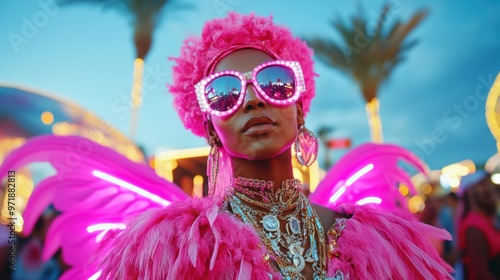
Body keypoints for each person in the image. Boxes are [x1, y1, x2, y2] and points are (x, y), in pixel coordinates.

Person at [96, 12, 453, 279]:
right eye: (225, 94)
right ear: (210, 129)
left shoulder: (381, 243)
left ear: (298, 110)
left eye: (275, 83)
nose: (253, 100)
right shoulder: (174, 250)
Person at [458, 171, 500, 280]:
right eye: (483, 185)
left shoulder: (487, 218)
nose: (489, 189)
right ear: (470, 193)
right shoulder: (473, 227)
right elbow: (481, 274)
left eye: (488, 184)